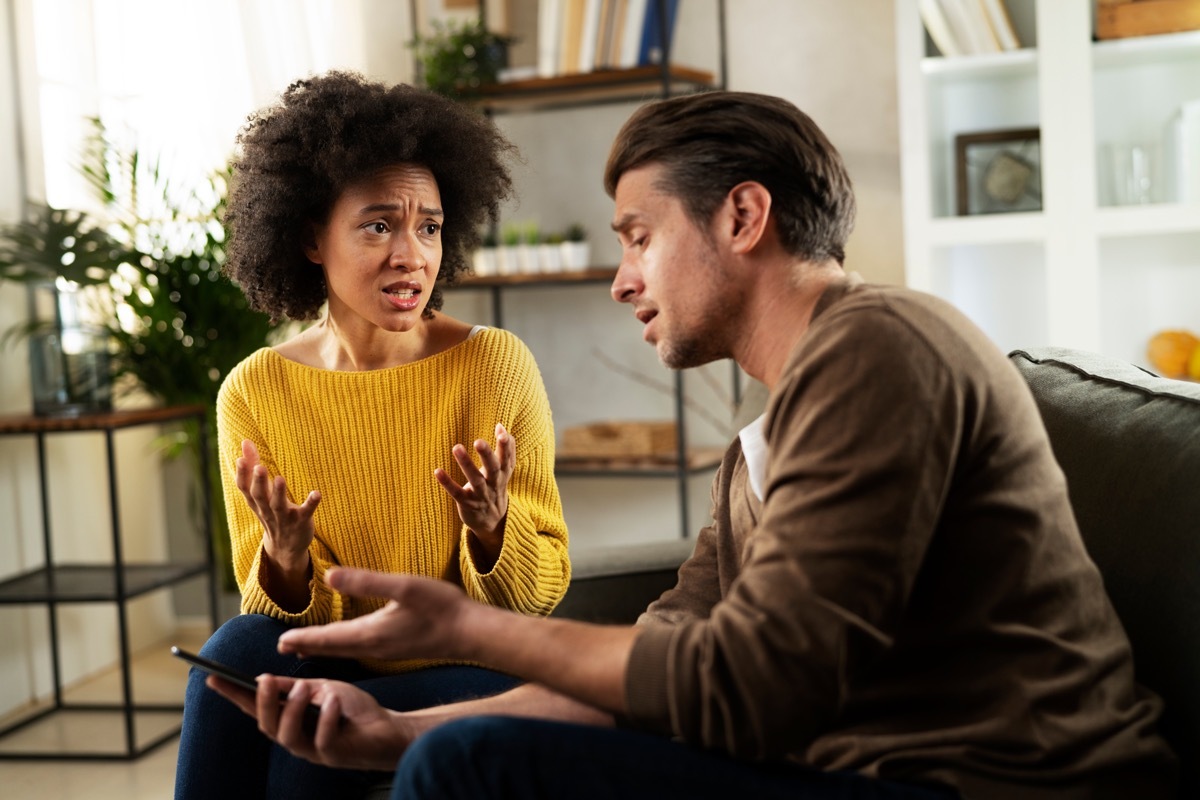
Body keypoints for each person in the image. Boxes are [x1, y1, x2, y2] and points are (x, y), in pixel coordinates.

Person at [207, 91, 1179, 799]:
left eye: (639, 236)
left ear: (743, 217)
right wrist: (391, 729)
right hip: (869, 766)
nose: (623, 280)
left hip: (995, 784)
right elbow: (662, 662)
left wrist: (469, 628)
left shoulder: (884, 345)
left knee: (474, 765)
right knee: (408, 735)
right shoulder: (758, 446)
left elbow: (754, 684)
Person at [173, 71, 571, 799]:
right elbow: (272, 619)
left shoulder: (494, 366)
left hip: (467, 662)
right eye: (379, 224)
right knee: (234, 651)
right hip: (334, 650)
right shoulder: (256, 392)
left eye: (430, 227)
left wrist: (492, 530)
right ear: (309, 238)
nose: (412, 255)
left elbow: (538, 595)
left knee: (304, 747)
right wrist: (284, 562)